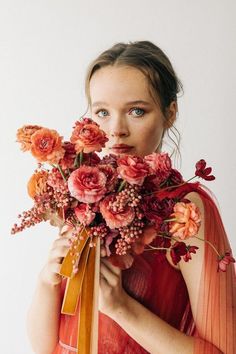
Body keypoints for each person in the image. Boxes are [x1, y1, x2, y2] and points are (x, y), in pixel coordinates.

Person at [26, 40, 236, 354]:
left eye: (137, 111)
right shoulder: (85, 194)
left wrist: (122, 308)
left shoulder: (185, 212)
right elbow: (44, 346)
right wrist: (47, 281)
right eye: (102, 112)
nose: (116, 129)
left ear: (169, 114)